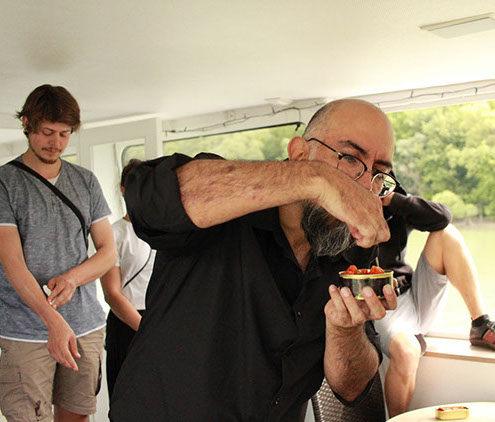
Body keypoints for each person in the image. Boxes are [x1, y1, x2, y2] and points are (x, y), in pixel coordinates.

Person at [109, 99, 398, 421]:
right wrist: (318, 179)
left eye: (379, 174)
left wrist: (345, 330)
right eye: (349, 158)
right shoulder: (224, 201)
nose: (364, 186)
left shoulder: (353, 251)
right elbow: (146, 199)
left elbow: (351, 389)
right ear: (299, 154)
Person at [0, 85, 117, 422]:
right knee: (28, 417)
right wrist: (53, 321)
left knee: (77, 415)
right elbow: (12, 264)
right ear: (27, 124)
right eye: (48, 132)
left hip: (85, 324)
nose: (56, 143)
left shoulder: (86, 181)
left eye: (65, 134)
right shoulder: (5, 182)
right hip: (24, 330)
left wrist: (71, 279)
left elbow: (108, 252)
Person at [368, 183, 495, 417]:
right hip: (381, 303)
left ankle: (480, 323)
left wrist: (393, 200)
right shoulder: (343, 208)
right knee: (407, 351)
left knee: (446, 233)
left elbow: (442, 217)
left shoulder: (392, 199)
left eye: (381, 172)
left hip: (413, 294)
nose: (372, 178)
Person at [100, 159, 156, 399]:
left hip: (158, 320)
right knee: (127, 399)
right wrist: (146, 330)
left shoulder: (165, 231)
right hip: (127, 325)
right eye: (134, 185)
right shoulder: (113, 234)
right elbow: (112, 294)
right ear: (123, 189)